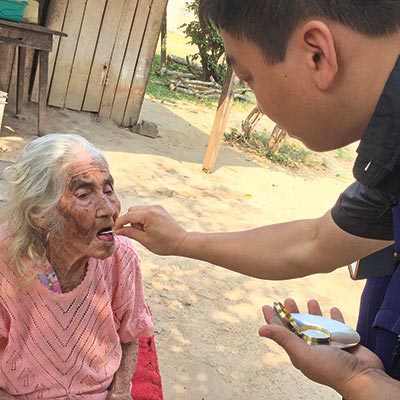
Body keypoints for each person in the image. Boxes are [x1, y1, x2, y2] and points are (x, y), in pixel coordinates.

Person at [113, 0, 400, 397]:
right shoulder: (390, 165)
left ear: (316, 54)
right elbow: (315, 241)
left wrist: (359, 383)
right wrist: (181, 241)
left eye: (248, 77)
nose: (260, 105)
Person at [0, 133, 155, 399]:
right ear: (40, 213)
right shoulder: (6, 259)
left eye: (108, 190)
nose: (109, 209)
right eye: (84, 194)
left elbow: (129, 338)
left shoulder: (122, 258)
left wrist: (118, 393)